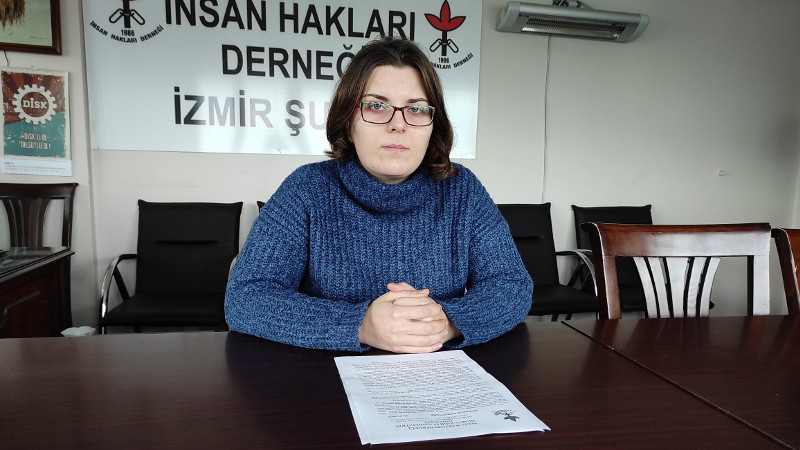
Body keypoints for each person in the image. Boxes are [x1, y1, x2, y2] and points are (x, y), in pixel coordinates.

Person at [225, 36, 532, 353]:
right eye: (376, 106)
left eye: (416, 109)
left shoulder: (461, 189)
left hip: (435, 372)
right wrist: (360, 325)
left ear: (433, 125)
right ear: (348, 123)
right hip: (326, 375)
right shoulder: (306, 189)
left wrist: (446, 321)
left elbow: (512, 285)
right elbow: (245, 297)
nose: (398, 124)